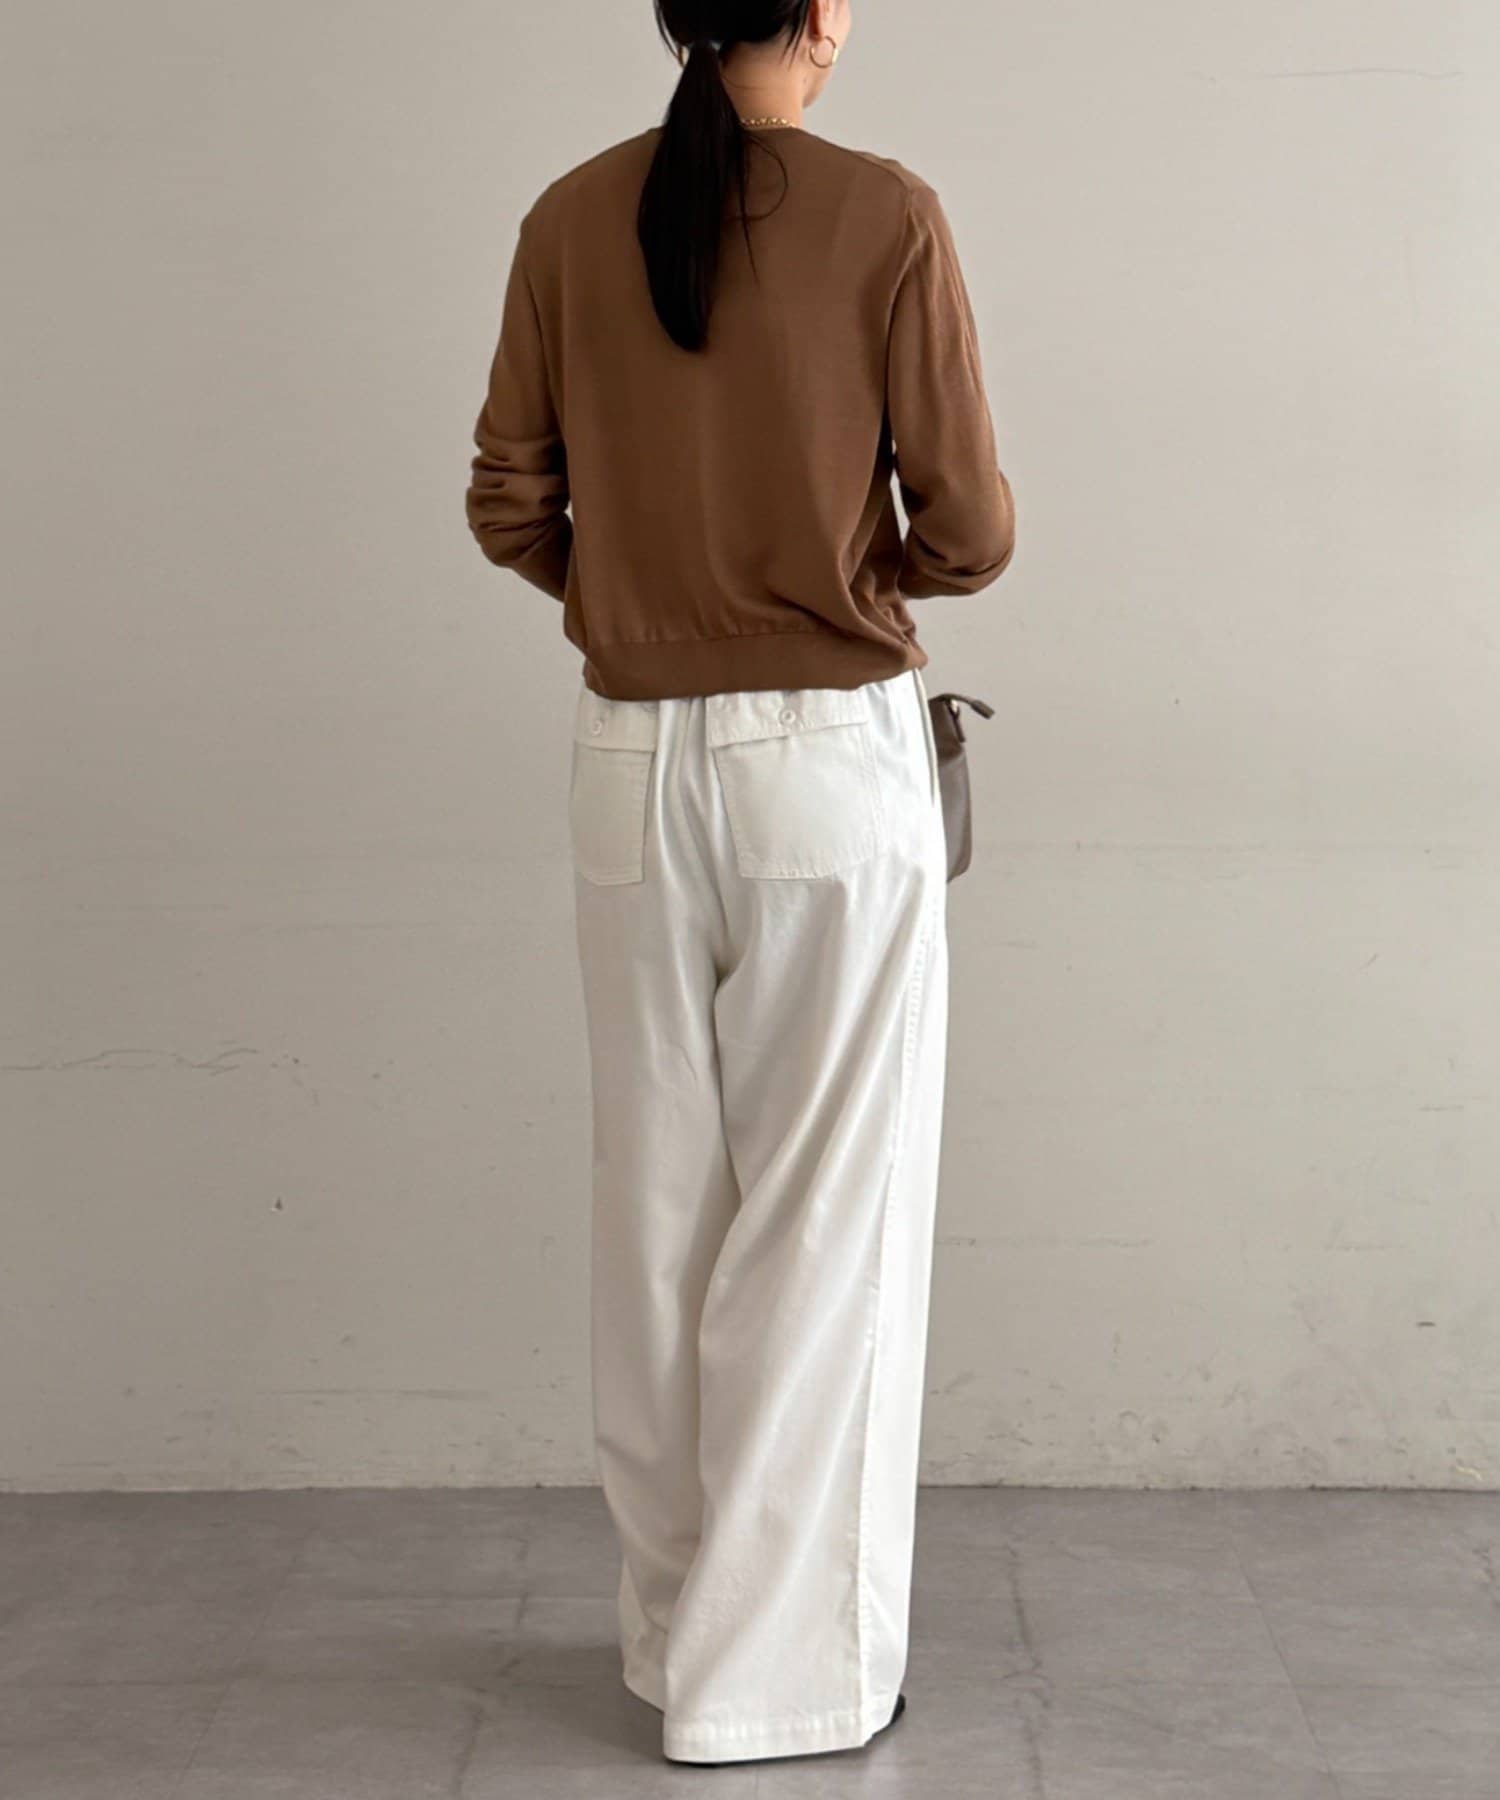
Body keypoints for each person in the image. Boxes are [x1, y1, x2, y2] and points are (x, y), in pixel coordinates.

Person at [463, 0, 1016, 1768]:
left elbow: (508, 503)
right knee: (825, 1221)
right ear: (820, 13)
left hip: (625, 759)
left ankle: (671, 1638)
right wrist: (833, 591)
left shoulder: (569, 216)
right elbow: (973, 527)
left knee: (659, 1217)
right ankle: (777, 1681)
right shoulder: (886, 211)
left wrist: (647, 602)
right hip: (822, 762)